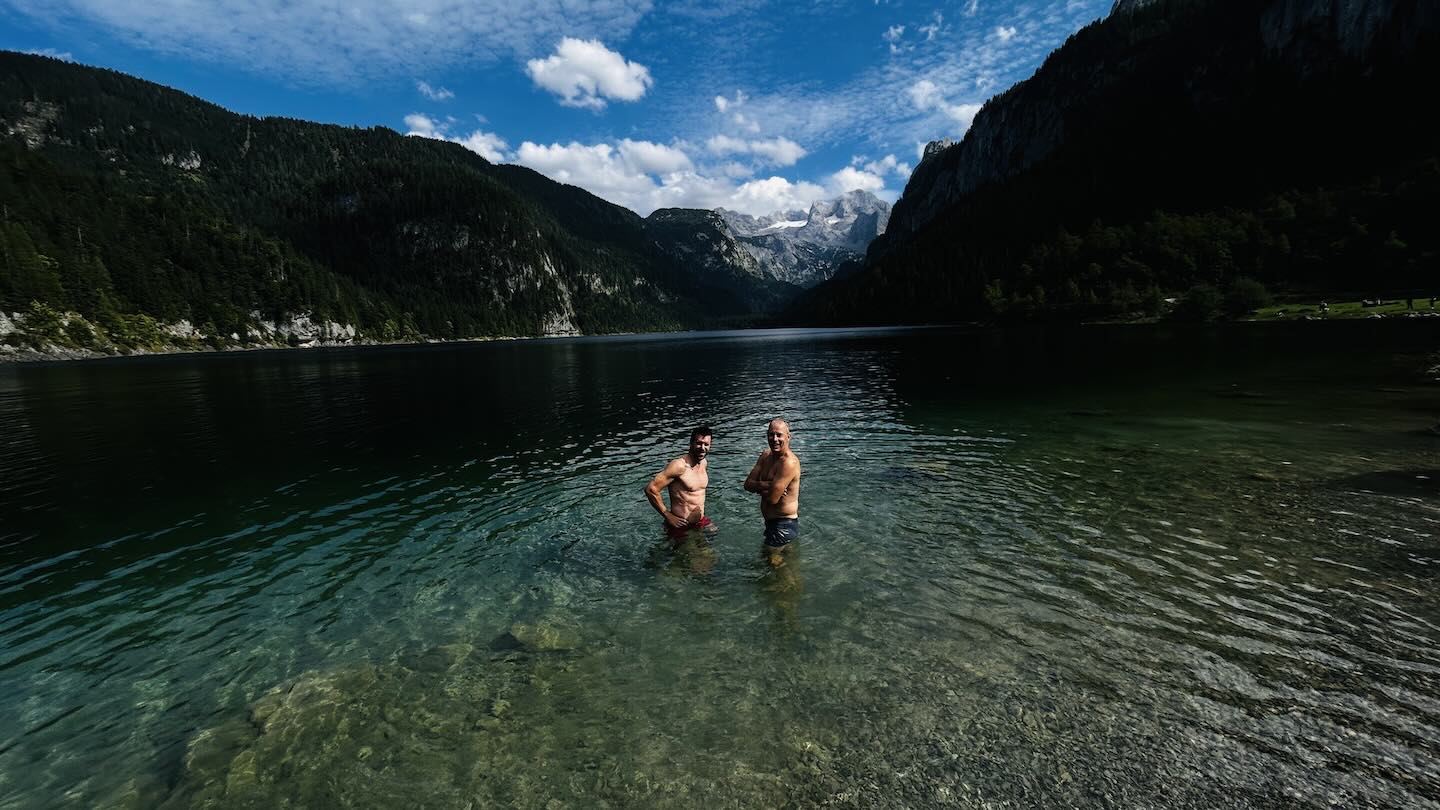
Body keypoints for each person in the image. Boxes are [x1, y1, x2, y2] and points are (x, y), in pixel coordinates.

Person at [743, 419, 801, 566]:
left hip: (783, 526)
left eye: (779, 435)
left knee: (774, 568)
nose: (774, 439)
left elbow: (772, 499)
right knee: (779, 566)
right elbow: (747, 484)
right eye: (771, 434)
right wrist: (767, 485)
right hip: (772, 525)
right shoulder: (765, 456)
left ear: (788, 437)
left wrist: (761, 488)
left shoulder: (789, 463)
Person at [644, 427, 715, 541]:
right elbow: (651, 489)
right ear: (691, 443)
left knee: (714, 535)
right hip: (681, 525)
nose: (702, 448)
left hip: (700, 521)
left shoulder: (703, 463)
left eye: (706, 444)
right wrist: (667, 515)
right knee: (697, 552)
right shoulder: (679, 466)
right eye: (698, 443)